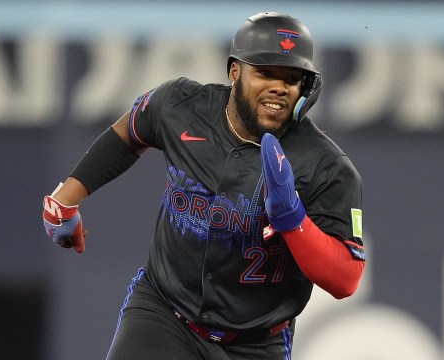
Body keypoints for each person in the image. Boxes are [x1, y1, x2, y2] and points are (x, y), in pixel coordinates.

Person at [42, 12, 365, 360]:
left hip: (254, 342)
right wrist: (66, 198)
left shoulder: (326, 166)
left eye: (291, 78)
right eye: (265, 72)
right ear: (235, 72)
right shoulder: (181, 106)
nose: (278, 86)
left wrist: (293, 221)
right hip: (165, 313)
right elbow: (131, 131)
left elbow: (346, 278)